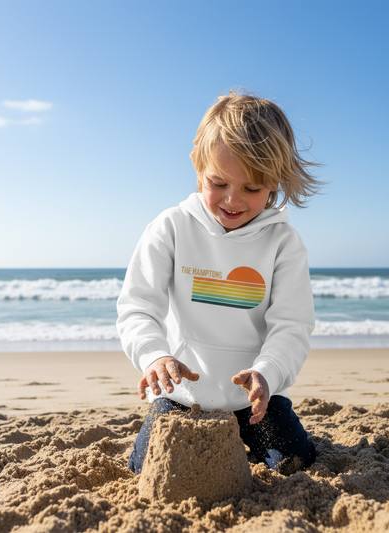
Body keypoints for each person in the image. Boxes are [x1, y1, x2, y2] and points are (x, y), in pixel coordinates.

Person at [117, 91, 322, 476]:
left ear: (275, 182)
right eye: (218, 182)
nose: (232, 200)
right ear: (198, 165)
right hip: (182, 397)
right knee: (143, 470)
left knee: (295, 464)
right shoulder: (172, 228)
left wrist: (268, 372)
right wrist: (154, 356)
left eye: (252, 188)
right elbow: (137, 306)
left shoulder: (283, 244)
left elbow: (293, 326)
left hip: (255, 400)